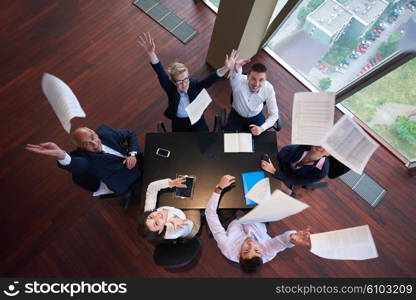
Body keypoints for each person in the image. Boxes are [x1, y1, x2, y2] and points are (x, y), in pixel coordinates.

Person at [205, 175, 311, 274]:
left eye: (246, 250)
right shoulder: (267, 253)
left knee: (227, 196)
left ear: (238, 255)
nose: (251, 244)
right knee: (258, 186)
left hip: (232, 221)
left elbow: (210, 214)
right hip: (256, 220)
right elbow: (282, 242)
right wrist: (291, 239)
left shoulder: (227, 248)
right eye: (256, 250)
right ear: (261, 254)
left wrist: (219, 188)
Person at [138, 32, 231, 132]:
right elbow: (161, 74)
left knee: (205, 141)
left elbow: (208, 81)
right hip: (179, 122)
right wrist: (151, 53)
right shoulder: (170, 89)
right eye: (180, 82)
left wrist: (226, 68)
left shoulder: (193, 84)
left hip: (196, 120)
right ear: (174, 82)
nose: (184, 84)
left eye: (186, 79)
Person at [26, 125, 141, 206]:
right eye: (87, 144)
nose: (95, 144)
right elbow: (76, 164)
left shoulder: (105, 132)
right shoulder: (88, 161)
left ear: (94, 132)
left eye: (92, 137)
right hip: (127, 181)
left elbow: (130, 134)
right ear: (82, 148)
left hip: (140, 161)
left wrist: (132, 154)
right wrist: (61, 154)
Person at [225, 49, 280, 136]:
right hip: (236, 117)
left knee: (259, 145)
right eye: (253, 79)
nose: (256, 84)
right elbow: (235, 75)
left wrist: (261, 128)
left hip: (256, 117)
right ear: (247, 77)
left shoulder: (268, 88)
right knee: (231, 142)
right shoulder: (238, 82)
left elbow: (274, 115)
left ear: (265, 80)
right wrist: (236, 67)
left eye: (261, 80)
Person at [261, 144, 331, 196]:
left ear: (329, 154)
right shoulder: (304, 147)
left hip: (293, 177)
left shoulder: (322, 171)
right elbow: (283, 153)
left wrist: (274, 171)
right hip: (286, 165)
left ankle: (288, 191)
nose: (322, 145)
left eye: (326, 146)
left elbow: (297, 181)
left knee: (270, 180)